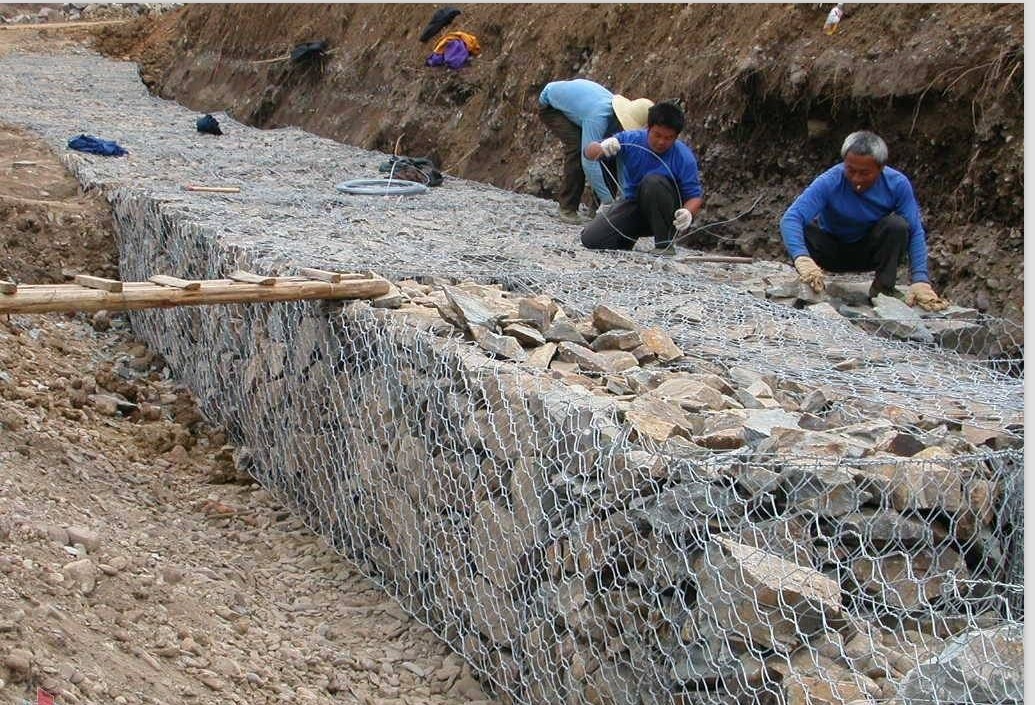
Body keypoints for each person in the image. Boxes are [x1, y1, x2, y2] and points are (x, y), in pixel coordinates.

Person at [780, 130, 949, 311]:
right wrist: (802, 258)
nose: (856, 179)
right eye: (850, 170)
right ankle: (809, 286)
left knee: (897, 226)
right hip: (830, 251)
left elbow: (915, 231)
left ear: (881, 168)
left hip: (869, 252)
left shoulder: (897, 184)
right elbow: (791, 218)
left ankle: (883, 290)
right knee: (800, 229)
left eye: (865, 173)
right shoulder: (830, 180)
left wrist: (920, 280)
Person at [579, 101, 703, 254]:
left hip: (665, 211)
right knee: (591, 239)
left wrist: (687, 212)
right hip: (634, 206)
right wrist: (603, 147)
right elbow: (589, 153)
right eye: (657, 135)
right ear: (648, 128)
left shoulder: (684, 157)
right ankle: (626, 238)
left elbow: (694, 196)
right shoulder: (632, 139)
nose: (661, 142)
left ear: (676, 137)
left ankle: (664, 245)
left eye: (668, 138)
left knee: (653, 182)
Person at [538, 78, 653, 223]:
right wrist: (608, 200)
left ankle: (600, 211)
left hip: (581, 108)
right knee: (578, 148)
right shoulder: (598, 117)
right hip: (551, 106)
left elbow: (621, 160)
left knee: (609, 151)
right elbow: (589, 161)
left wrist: (627, 198)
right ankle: (567, 208)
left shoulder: (616, 121)